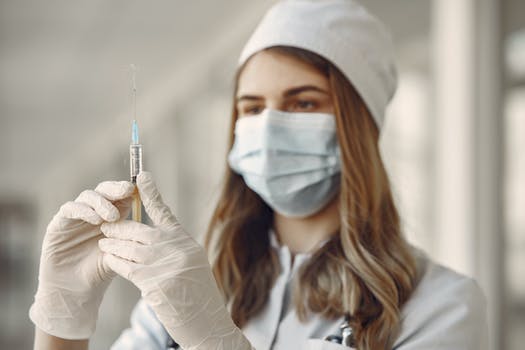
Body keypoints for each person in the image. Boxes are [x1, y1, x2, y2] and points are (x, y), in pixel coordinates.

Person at [29, 1, 488, 349]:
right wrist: (63, 317)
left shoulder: (440, 306)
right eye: (251, 107)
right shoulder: (189, 292)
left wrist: (213, 338)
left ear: (359, 126)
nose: (268, 126)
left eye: (302, 102)